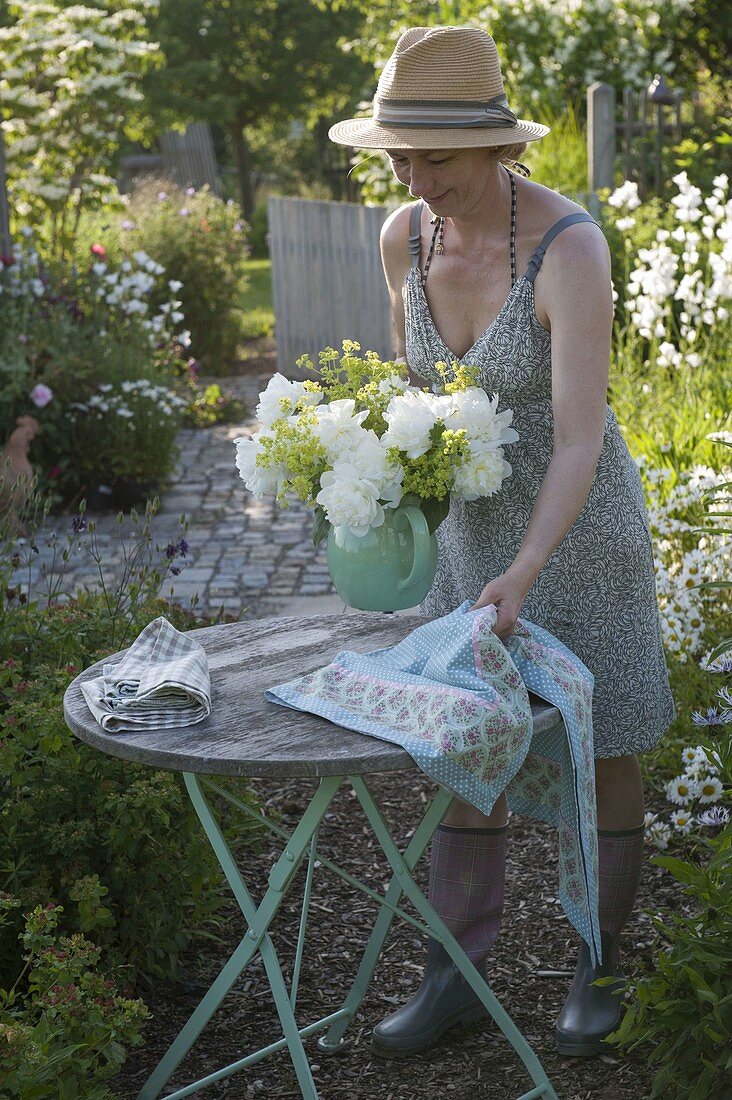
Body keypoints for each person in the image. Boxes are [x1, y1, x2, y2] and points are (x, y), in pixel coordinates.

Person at [328, 25, 674, 1060]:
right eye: (400, 153)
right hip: (474, 534)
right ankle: (457, 971)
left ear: (496, 148)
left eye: (433, 155)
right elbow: (415, 400)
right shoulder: (403, 237)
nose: (413, 175)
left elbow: (579, 437)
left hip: (580, 532)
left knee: (602, 745)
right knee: (457, 742)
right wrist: (365, 480)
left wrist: (529, 566)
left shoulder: (570, 249)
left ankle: (599, 961)